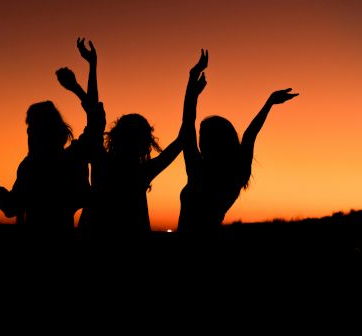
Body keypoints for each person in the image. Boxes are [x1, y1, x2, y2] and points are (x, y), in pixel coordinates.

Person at [61, 42, 207, 243]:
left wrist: (91, 67)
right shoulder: (142, 172)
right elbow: (184, 135)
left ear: (115, 137)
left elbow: (93, 114)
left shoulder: (101, 161)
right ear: (145, 144)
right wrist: (192, 88)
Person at [177, 49, 299, 241]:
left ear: (212, 141)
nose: (199, 139)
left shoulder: (197, 168)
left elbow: (187, 122)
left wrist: (192, 82)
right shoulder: (236, 171)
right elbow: (250, 134)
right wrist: (269, 103)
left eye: (203, 135)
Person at [0, 79, 96, 237]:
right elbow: (95, 121)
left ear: (44, 131)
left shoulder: (33, 166)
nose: (29, 132)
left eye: (32, 127)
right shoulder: (68, 158)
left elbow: (11, 206)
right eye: (29, 127)